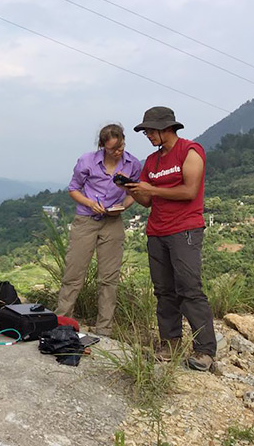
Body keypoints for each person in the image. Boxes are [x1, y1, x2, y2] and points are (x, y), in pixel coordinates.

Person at [126, 106, 216, 372]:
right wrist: (133, 189)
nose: (147, 135)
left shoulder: (190, 151)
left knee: (189, 288)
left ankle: (205, 350)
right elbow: (146, 201)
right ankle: (171, 342)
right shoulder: (151, 162)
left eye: (151, 130)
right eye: (145, 131)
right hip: (157, 231)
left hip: (184, 230)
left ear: (167, 128)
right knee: (164, 290)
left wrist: (151, 188)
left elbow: (189, 190)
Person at [55, 124, 142, 336]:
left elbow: (136, 191)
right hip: (86, 219)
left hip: (113, 221)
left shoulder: (133, 164)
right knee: (74, 273)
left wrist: (124, 206)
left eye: (120, 146)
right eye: (113, 149)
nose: (118, 151)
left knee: (109, 278)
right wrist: (90, 203)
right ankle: (61, 323)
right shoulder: (87, 161)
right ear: (102, 146)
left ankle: (104, 329)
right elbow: (73, 189)